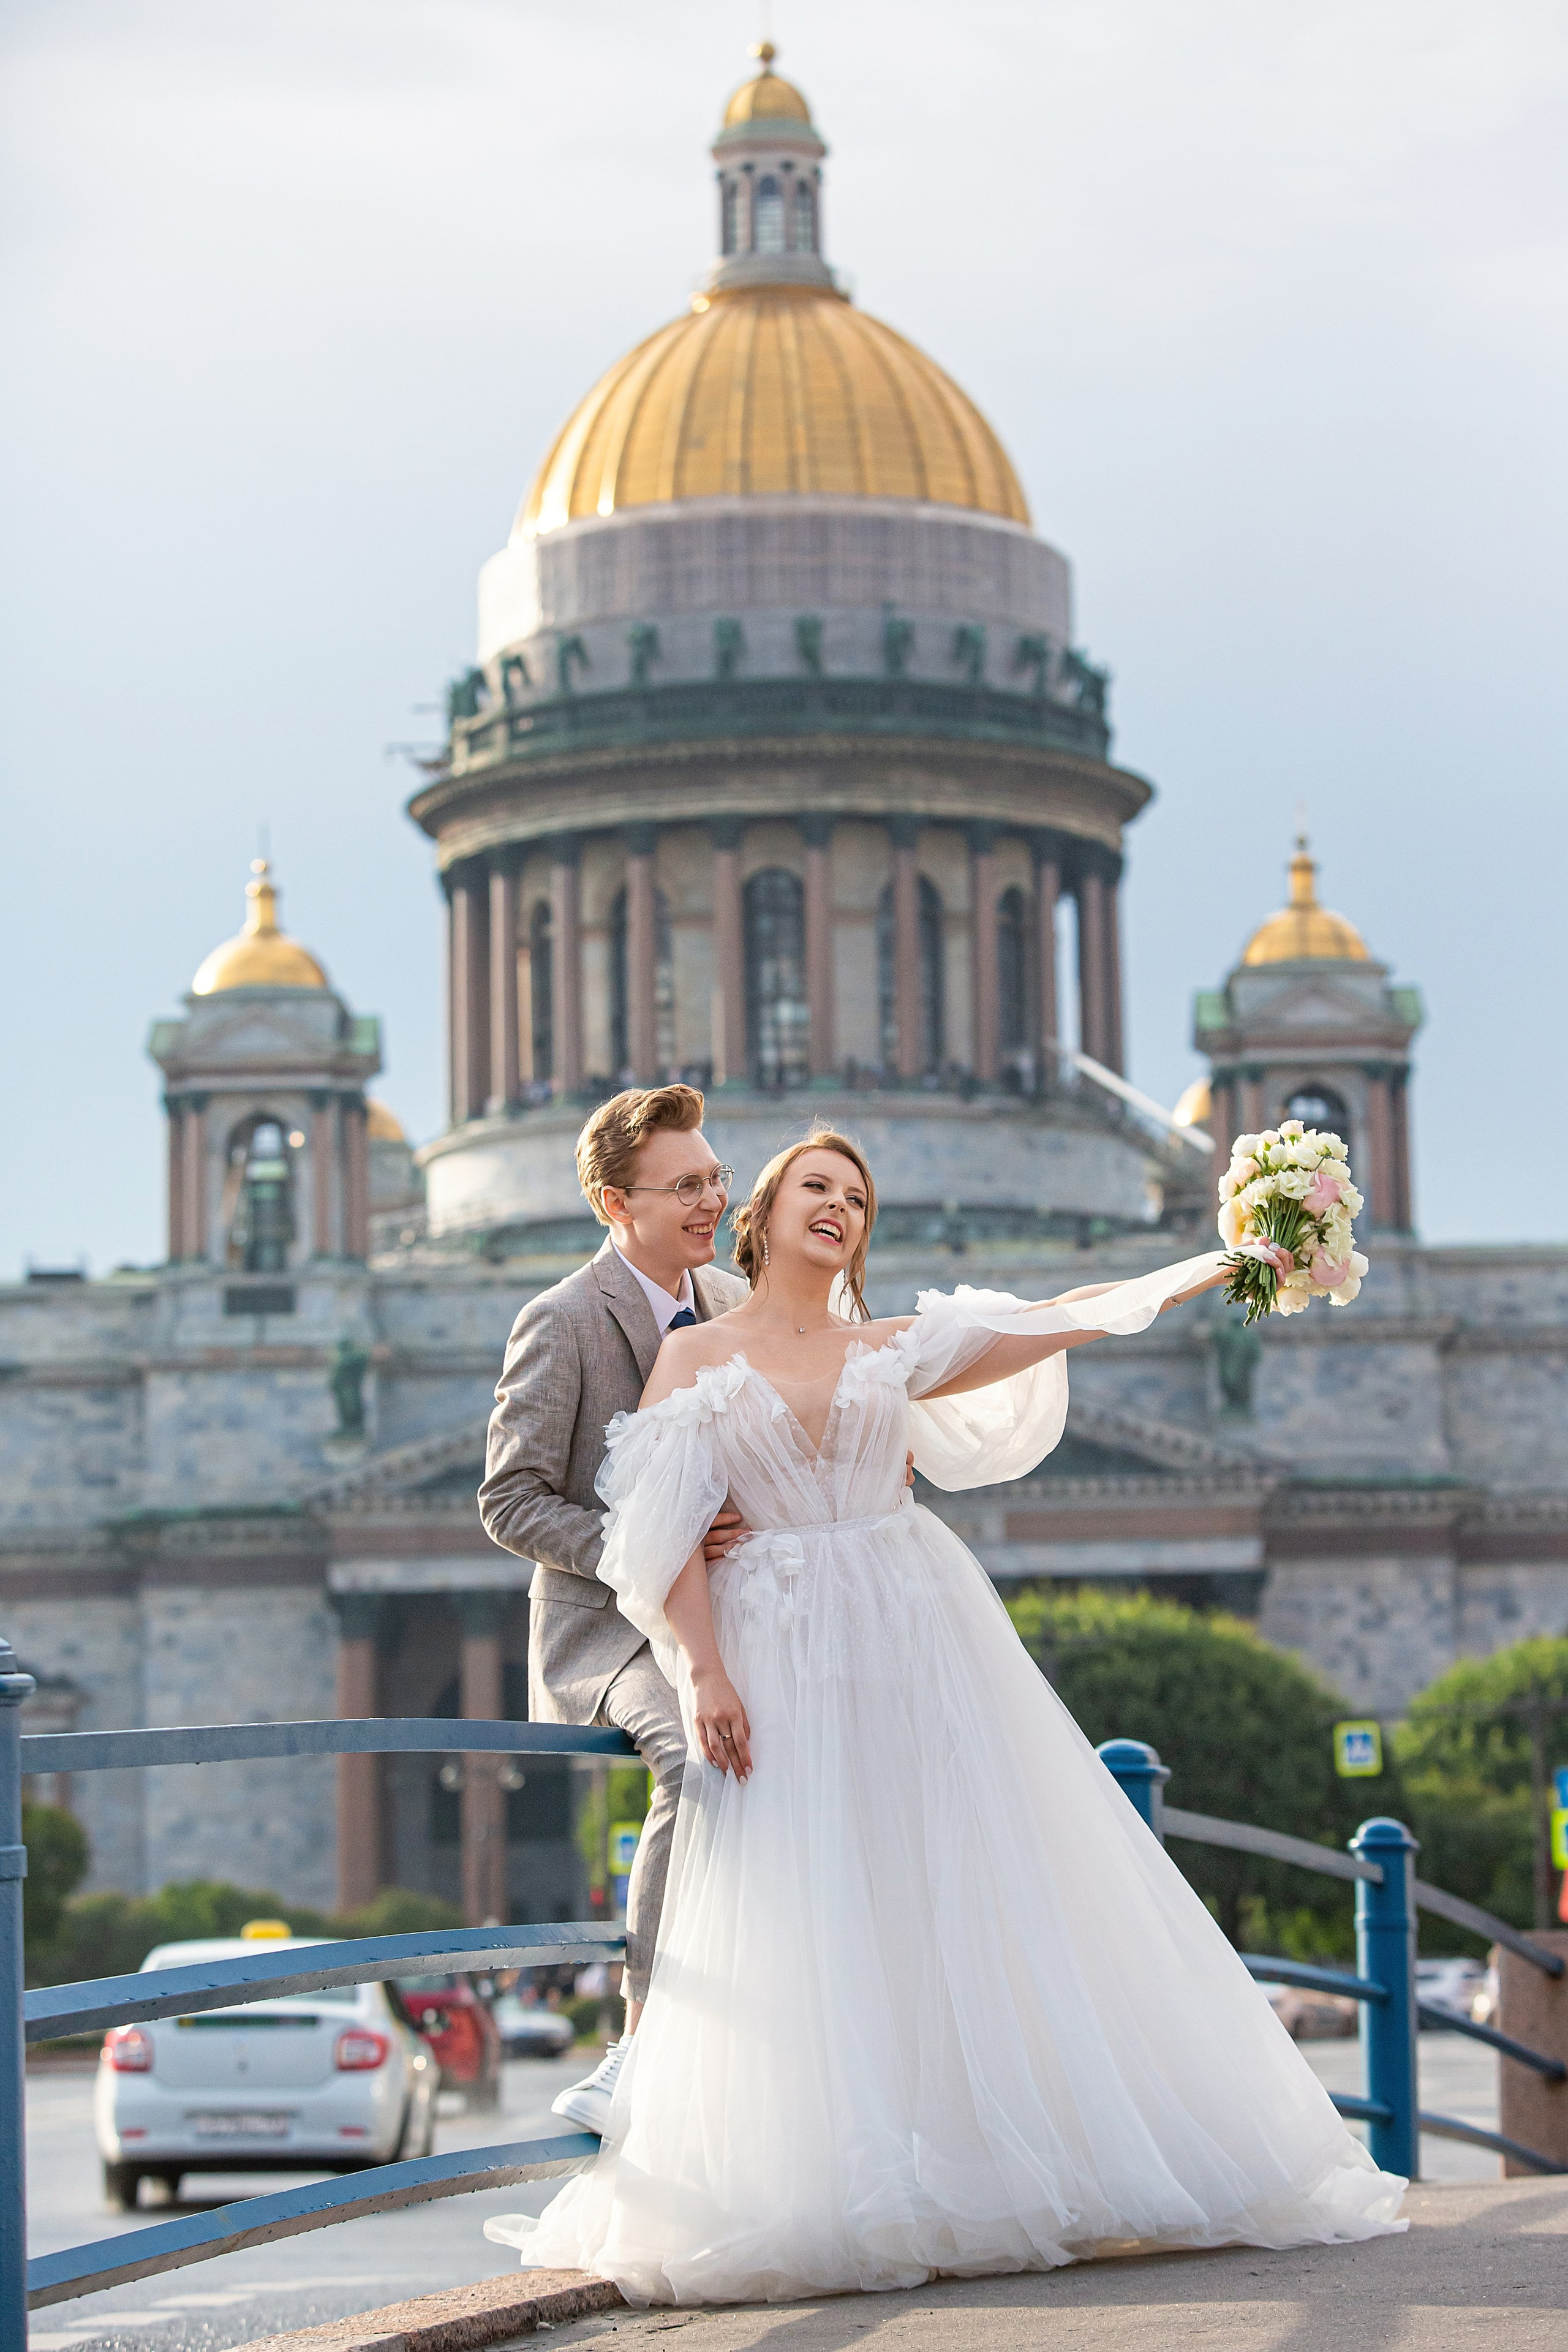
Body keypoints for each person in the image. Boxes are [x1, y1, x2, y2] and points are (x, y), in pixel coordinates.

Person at [485, 1127, 1406, 2305]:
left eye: (859, 1198)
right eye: (817, 1187)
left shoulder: (893, 1345)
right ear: (766, 1215)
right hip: (776, 1649)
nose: (841, 1208)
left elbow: (1064, 1315)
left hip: (912, 1635)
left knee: (949, 1883)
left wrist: (1208, 1268)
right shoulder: (695, 1355)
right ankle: (827, 2165)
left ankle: (979, 2158)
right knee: (807, 1896)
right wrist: (706, 1674)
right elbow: (660, 1541)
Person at [478, 1084, 749, 2132]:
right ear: (612, 1202)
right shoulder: (559, 1320)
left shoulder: (733, 1303)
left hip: (736, 1607)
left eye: (715, 1180)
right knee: (694, 1754)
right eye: (685, 1185)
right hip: (616, 1630)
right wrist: (645, 1550)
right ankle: (637, 2044)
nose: (711, 1201)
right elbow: (509, 1500)